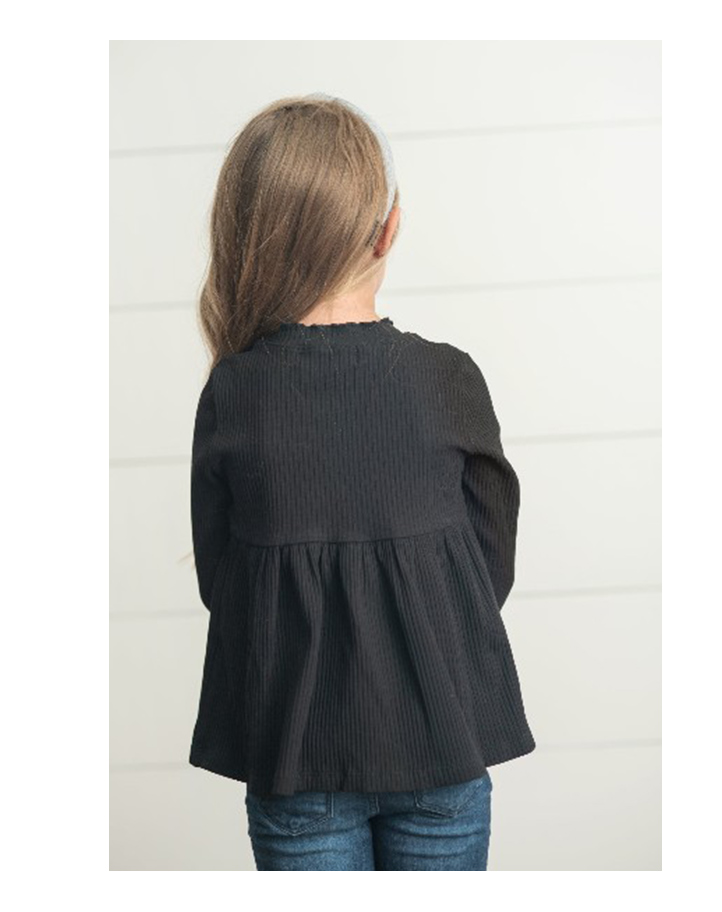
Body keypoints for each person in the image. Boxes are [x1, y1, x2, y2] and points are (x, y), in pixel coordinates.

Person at [188, 93, 536, 872]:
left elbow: (225, 584)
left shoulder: (234, 393)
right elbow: (488, 569)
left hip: (297, 759)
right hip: (440, 744)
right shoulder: (446, 379)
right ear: (389, 228)